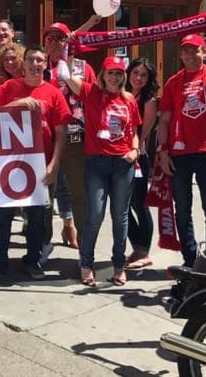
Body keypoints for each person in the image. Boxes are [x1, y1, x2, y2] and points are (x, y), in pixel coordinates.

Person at [0, 46, 71, 283]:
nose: (35, 64)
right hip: (9, 163)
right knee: (3, 216)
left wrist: (54, 165)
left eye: (40, 60)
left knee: (37, 217)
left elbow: (61, 133)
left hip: (39, 164)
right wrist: (20, 103)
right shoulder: (10, 88)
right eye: (30, 59)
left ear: (44, 64)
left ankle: (33, 261)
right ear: (24, 63)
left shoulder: (54, 94)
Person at [64, 56, 141, 287]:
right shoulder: (92, 93)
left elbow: (134, 131)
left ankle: (118, 265)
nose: (114, 77)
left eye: (118, 73)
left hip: (122, 164)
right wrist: (72, 46)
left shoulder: (129, 100)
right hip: (97, 163)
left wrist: (135, 150)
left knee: (120, 217)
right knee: (95, 215)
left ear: (123, 76)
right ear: (102, 75)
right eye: (110, 73)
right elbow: (67, 75)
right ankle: (86, 264)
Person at [156, 32, 206, 267]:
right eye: (185, 50)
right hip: (180, 154)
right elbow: (165, 121)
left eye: (194, 49)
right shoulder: (173, 83)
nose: (189, 54)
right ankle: (190, 260)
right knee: (183, 209)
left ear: (204, 52)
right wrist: (163, 152)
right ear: (180, 54)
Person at [45, 18, 100, 255]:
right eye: (50, 38)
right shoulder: (39, 65)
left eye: (61, 38)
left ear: (70, 42)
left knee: (79, 194)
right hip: (46, 140)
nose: (55, 43)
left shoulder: (83, 67)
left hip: (76, 138)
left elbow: (96, 100)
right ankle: (43, 245)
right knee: (45, 196)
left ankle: (85, 251)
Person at [125, 58, 160, 269]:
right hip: (118, 156)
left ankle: (143, 250)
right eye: (135, 72)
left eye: (143, 75)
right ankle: (137, 246)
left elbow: (144, 131)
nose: (138, 78)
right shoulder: (120, 93)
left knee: (140, 203)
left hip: (138, 155)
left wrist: (135, 150)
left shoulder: (149, 100)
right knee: (122, 206)